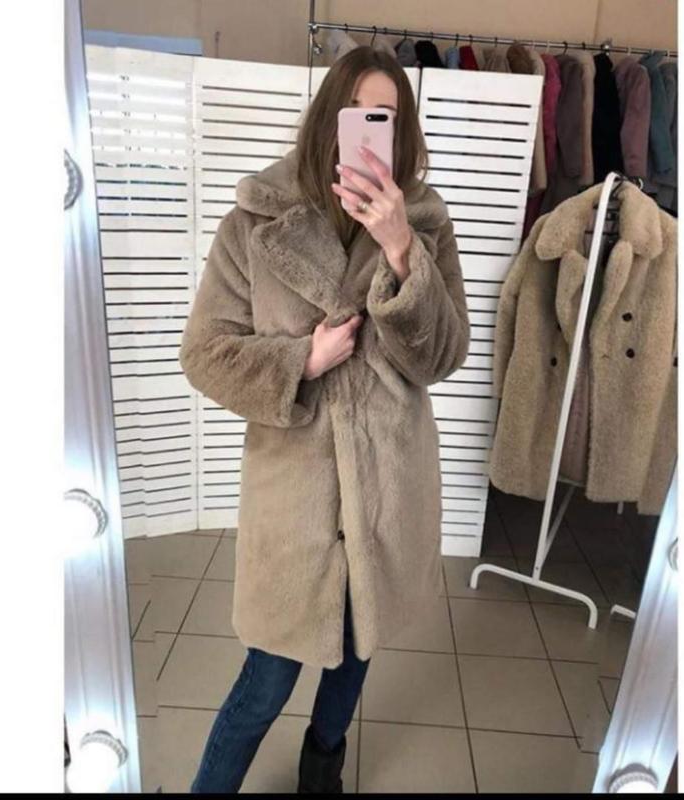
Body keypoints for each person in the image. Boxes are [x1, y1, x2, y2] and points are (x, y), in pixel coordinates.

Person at [180, 45, 470, 794]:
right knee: (266, 679)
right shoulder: (257, 221)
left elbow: (443, 356)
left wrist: (402, 252)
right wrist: (299, 362)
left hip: (387, 484)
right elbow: (204, 353)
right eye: (357, 113)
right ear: (328, 120)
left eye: (387, 117)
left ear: (403, 131)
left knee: (356, 649)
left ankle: (322, 772)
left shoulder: (425, 223)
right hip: (296, 496)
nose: (371, 128)